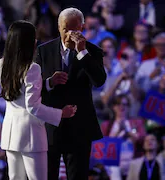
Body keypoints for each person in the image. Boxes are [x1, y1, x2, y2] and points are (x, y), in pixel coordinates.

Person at [0, 20, 76, 180]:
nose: (36, 41)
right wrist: (61, 114)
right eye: (33, 38)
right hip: (30, 134)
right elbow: (32, 106)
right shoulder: (33, 68)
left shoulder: (2, 64)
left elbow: (18, 92)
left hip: (10, 133)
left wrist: (48, 82)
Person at [36, 8, 107, 180]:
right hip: (50, 127)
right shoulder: (43, 51)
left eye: (74, 30)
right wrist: (50, 82)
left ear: (82, 27)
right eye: (65, 29)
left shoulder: (93, 52)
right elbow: (34, 87)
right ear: (58, 27)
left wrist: (82, 52)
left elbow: (99, 81)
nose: (69, 35)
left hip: (80, 127)